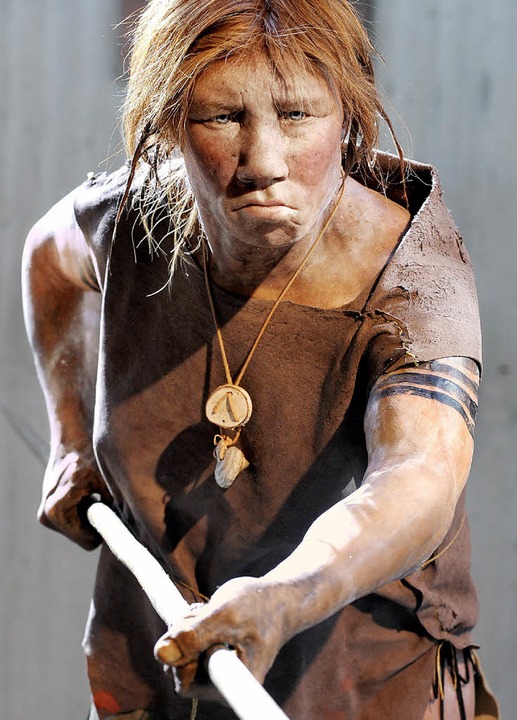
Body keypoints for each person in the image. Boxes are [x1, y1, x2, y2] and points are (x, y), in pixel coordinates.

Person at [22, 1, 500, 718]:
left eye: (297, 115)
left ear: (347, 115)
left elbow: (420, 475)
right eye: (221, 118)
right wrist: (69, 440)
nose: (264, 164)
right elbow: (48, 259)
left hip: (360, 689)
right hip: (154, 671)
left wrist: (283, 598)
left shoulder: (412, 280)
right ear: (169, 124)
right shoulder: (127, 224)